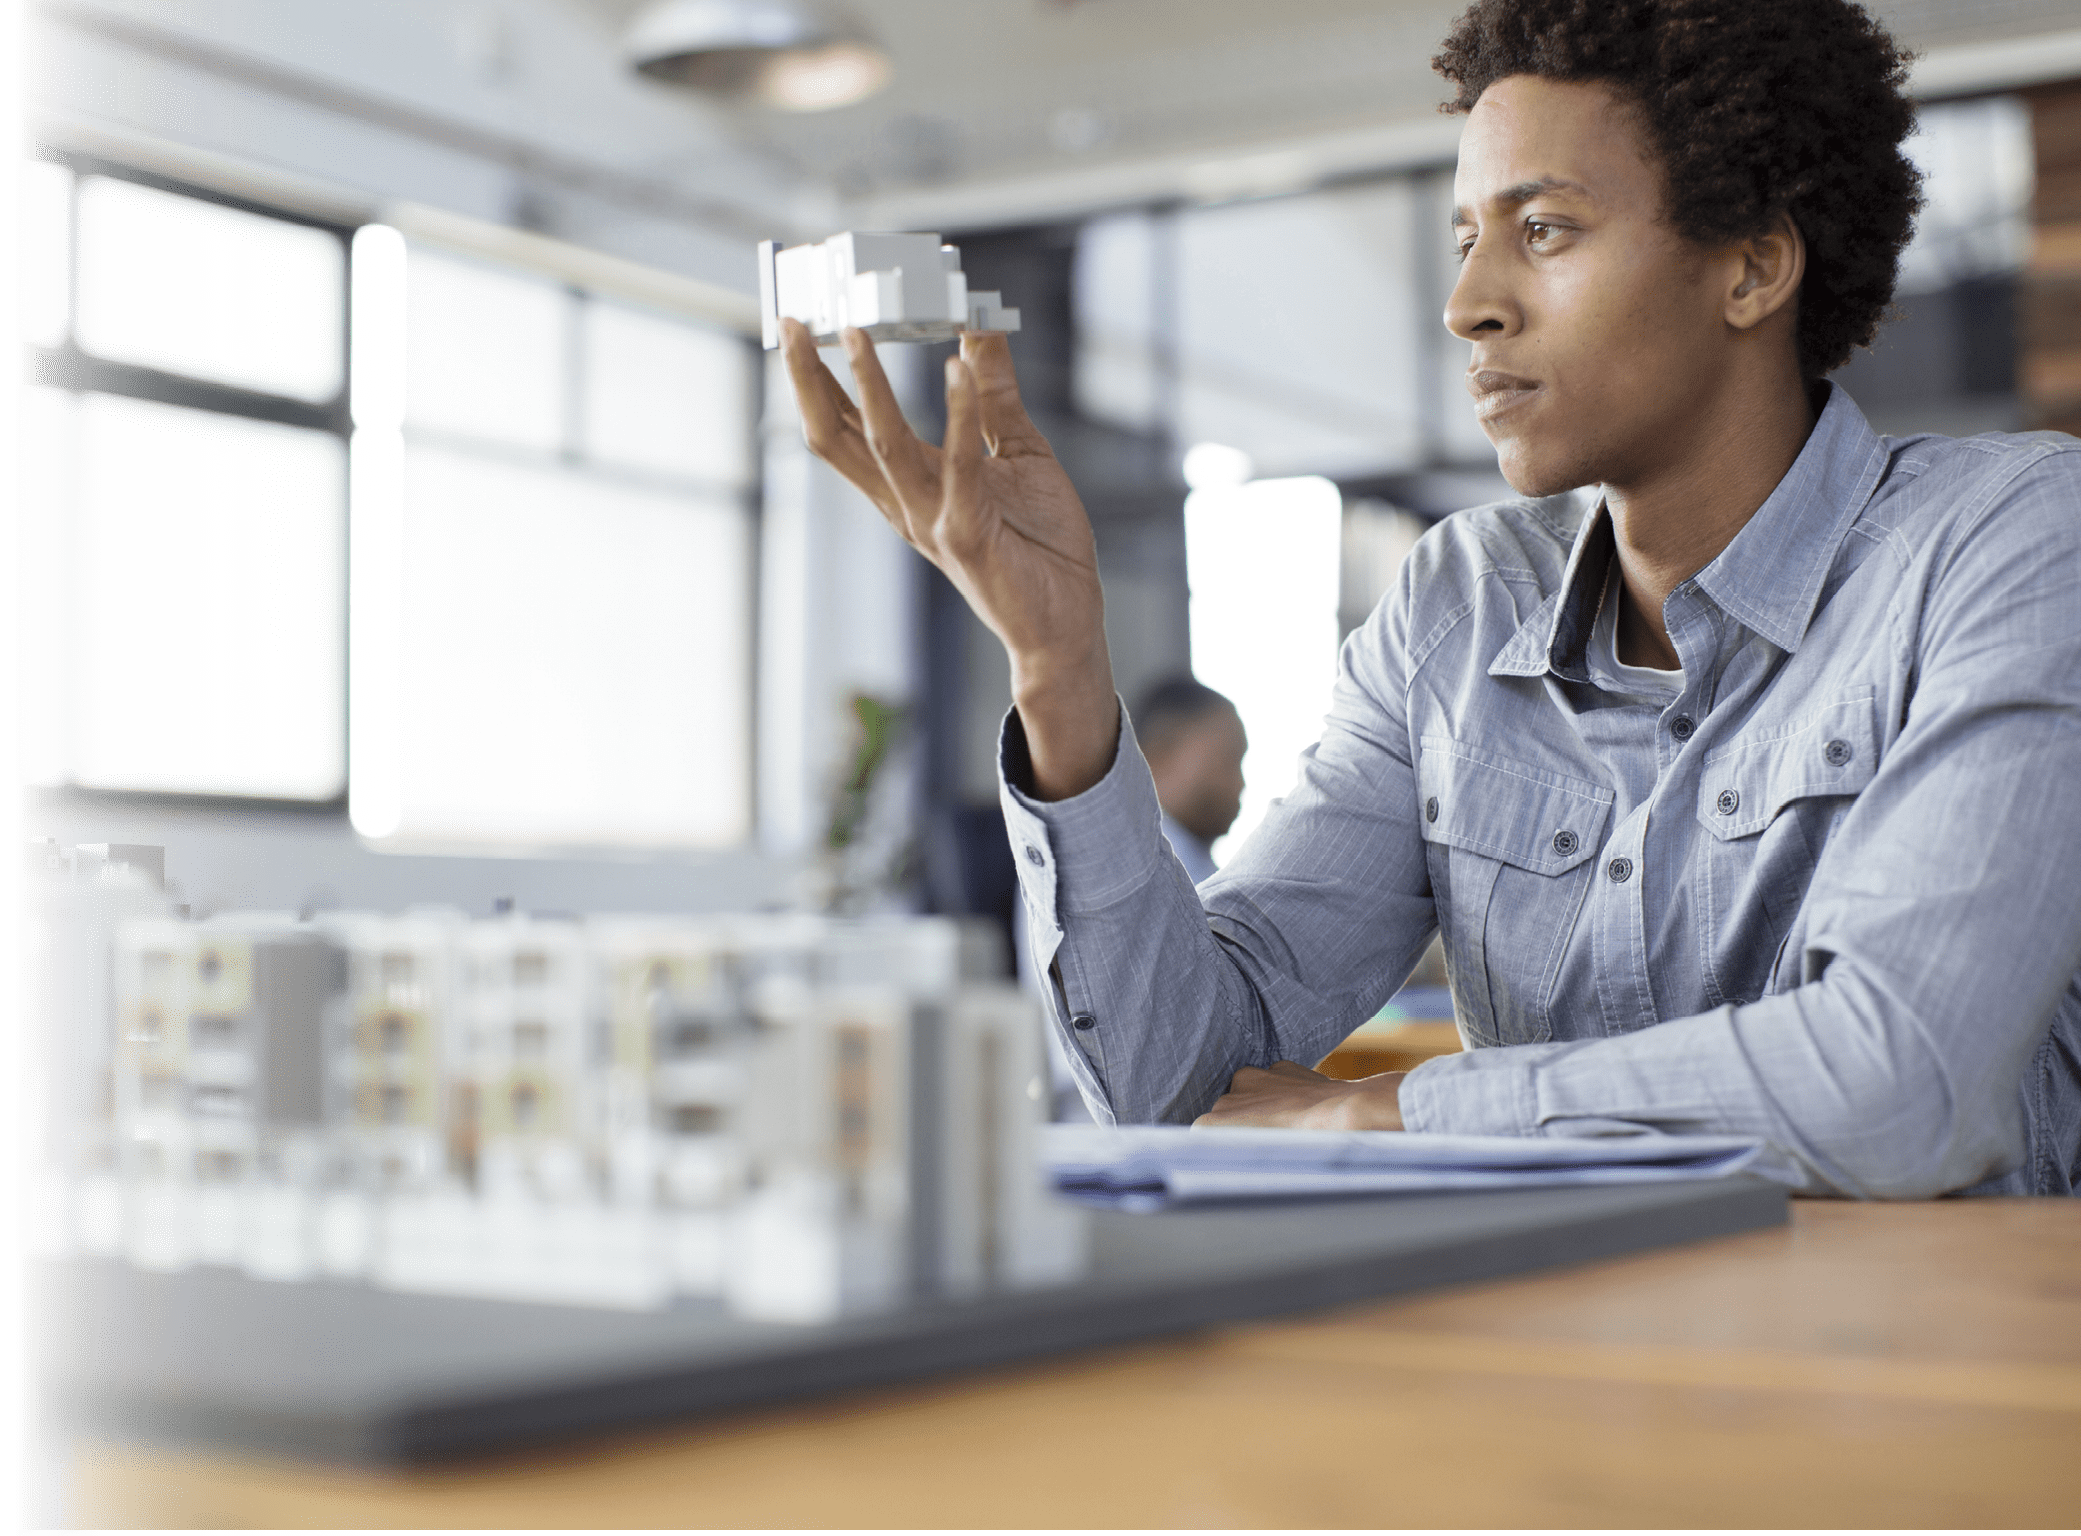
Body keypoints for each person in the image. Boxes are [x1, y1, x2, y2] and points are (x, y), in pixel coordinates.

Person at [780, 0, 2081, 1198]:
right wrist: (1057, 662)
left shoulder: (2012, 538)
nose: (1468, 304)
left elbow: (1900, 1080)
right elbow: (1171, 1088)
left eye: (1544, 229)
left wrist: (1394, 1111)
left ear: (1750, 270)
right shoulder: (1452, 607)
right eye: (1464, 238)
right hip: (1539, 1389)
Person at [1133, 678, 1248, 885]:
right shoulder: (1147, 874)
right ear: (1155, 758)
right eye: (1225, 762)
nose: (1240, 784)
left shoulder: (1203, 872)